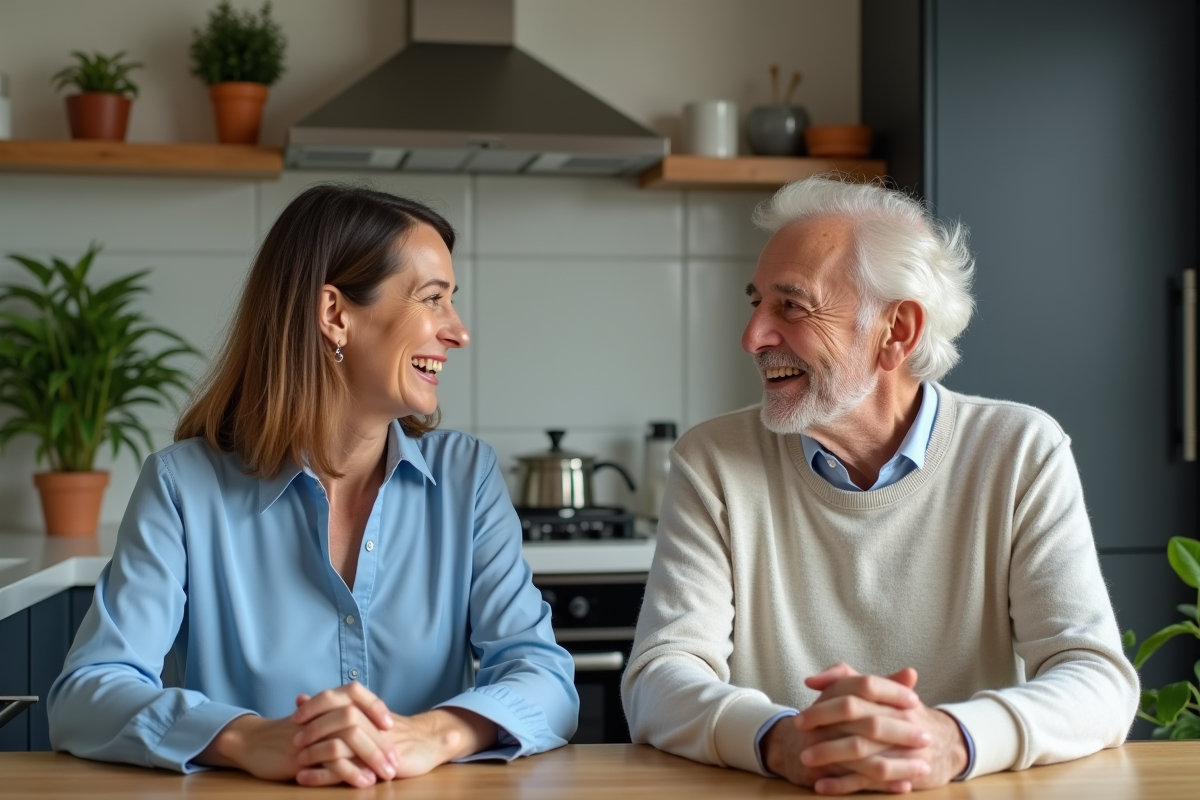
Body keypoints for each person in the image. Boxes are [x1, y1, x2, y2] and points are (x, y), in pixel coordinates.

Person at [621, 176, 1138, 795]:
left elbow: (1096, 679)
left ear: (897, 331)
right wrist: (781, 739)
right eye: (755, 302)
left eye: (791, 305)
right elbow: (659, 677)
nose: (753, 336)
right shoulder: (713, 461)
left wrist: (946, 740)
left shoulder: (1020, 450)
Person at [48, 185, 578, 787]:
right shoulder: (183, 486)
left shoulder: (466, 478)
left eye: (451, 302)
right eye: (433, 299)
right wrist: (251, 739)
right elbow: (87, 693)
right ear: (334, 314)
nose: (457, 331)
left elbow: (545, 677)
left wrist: (432, 735)